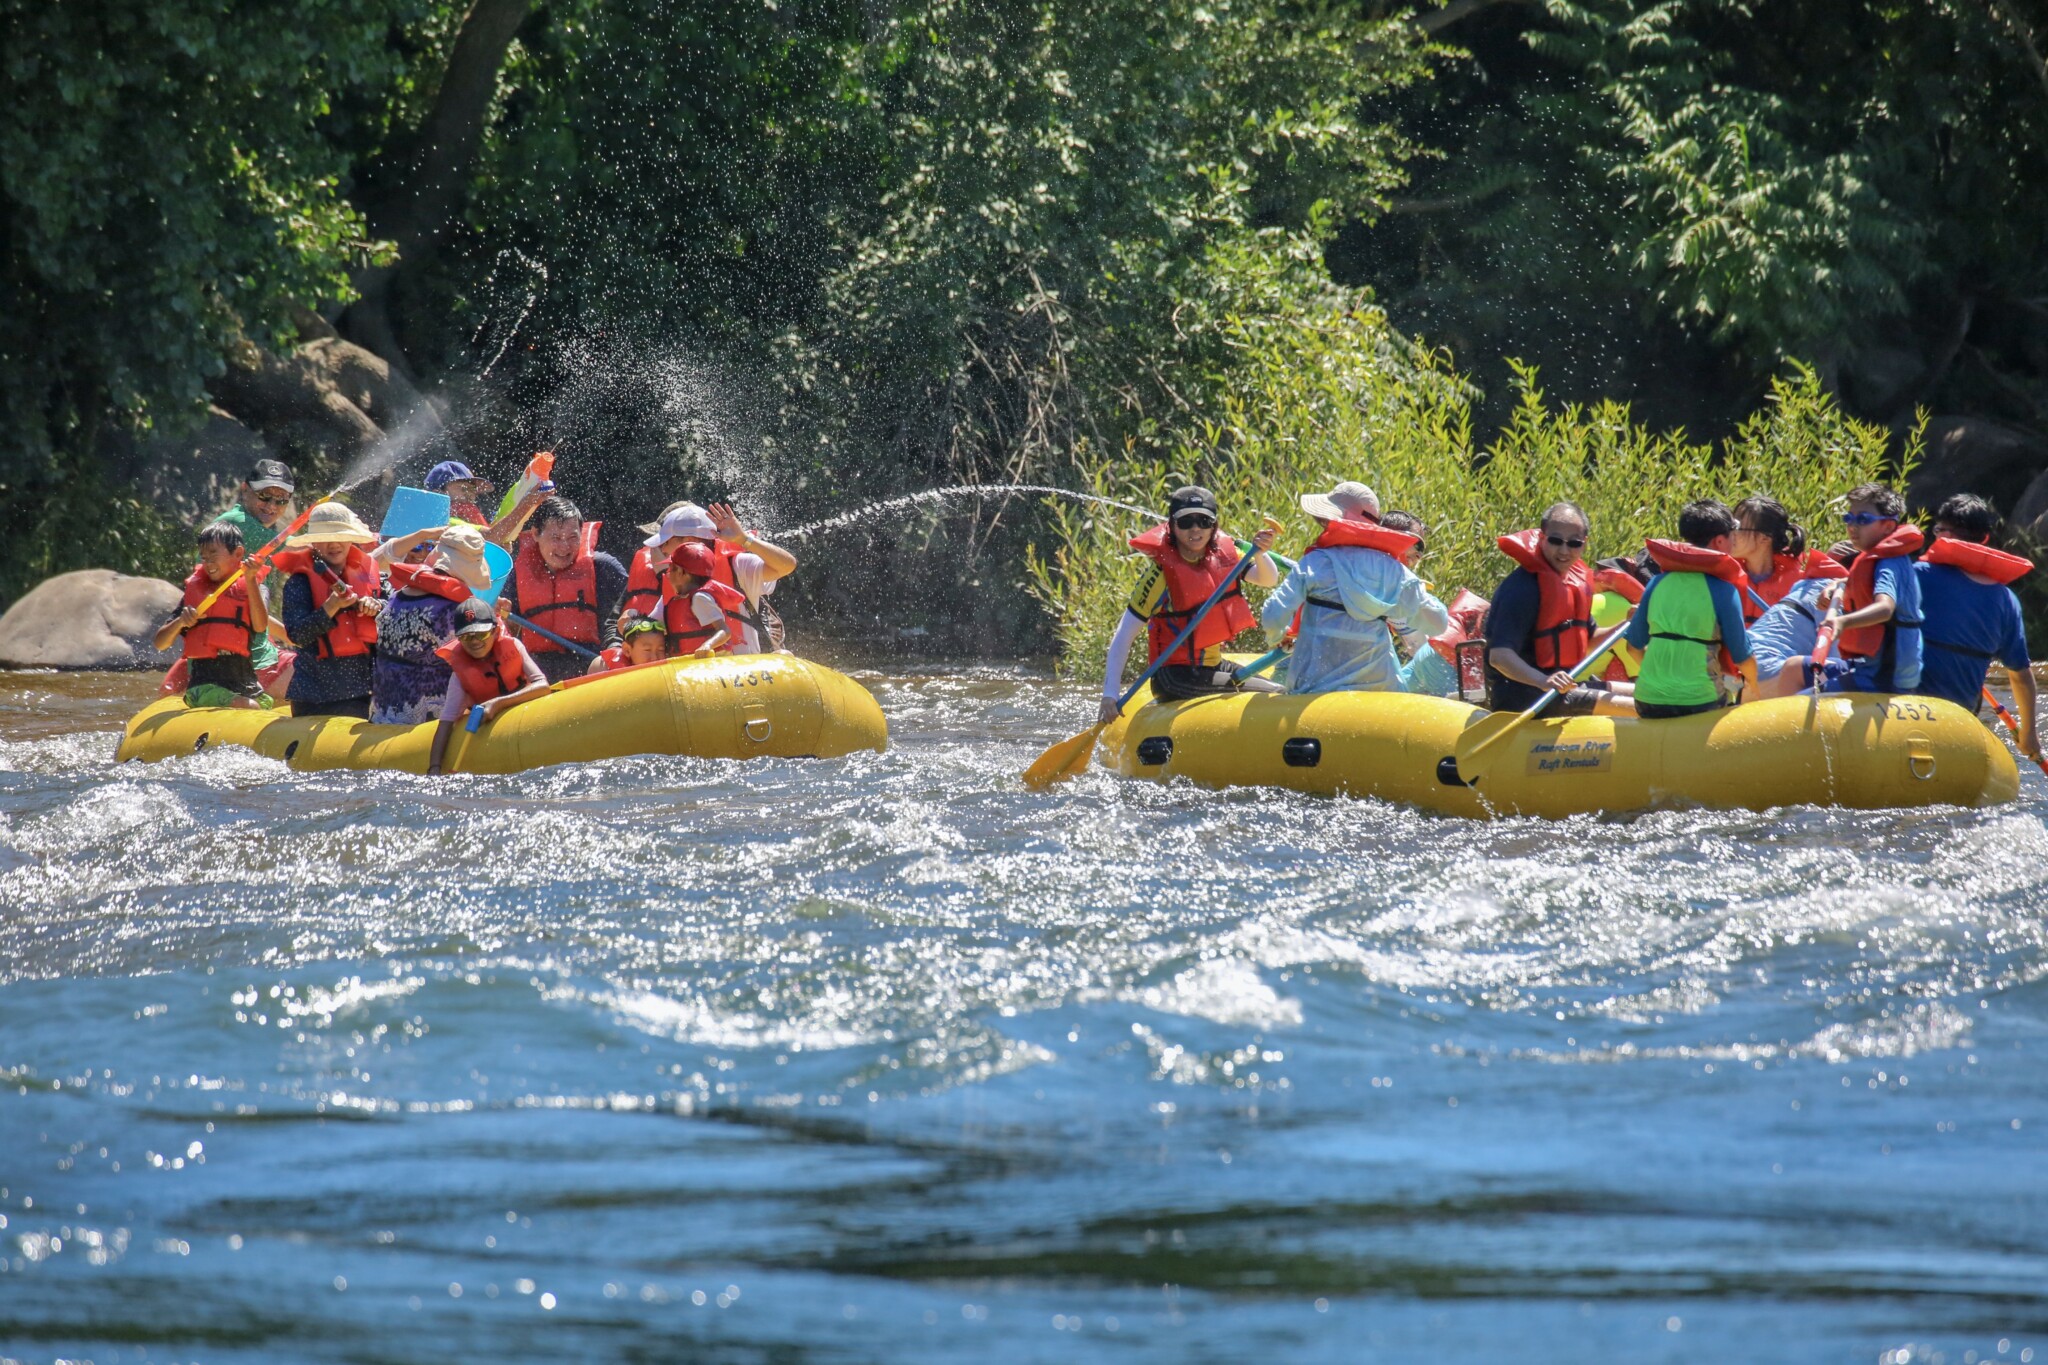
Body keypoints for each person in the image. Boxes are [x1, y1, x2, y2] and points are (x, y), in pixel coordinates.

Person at [1098, 486, 1281, 720]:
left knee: (1278, 693)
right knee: (1270, 695)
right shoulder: (1160, 576)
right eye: (1186, 522)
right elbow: (1124, 634)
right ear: (1172, 526)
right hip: (1174, 676)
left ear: (1214, 526)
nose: (1195, 528)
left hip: (1213, 666)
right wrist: (1109, 695)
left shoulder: (1226, 555)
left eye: (1204, 520)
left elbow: (1268, 579)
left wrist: (1260, 552)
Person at [1259, 484, 1447, 695]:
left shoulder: (1315, 562)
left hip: (1312, 687)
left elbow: (1273, 614)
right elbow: (1438, 622)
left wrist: (1277, 638)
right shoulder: (1396, 572)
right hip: (1379, 689)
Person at [1913, 494, 2038, 755]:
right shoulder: (2006, 600)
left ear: (1940, 536)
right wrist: (2029, 735)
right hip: (1959, 719)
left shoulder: (1917, 575)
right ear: (1984, 540)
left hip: (1902, 710)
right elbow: (2021, 676)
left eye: (1938, 530)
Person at [1483, 502, 1628, 715]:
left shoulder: (1572, 584)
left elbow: (1587, 641)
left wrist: (1626, 624)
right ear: (1542, 539)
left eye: (1574, 543)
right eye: (1555, 541)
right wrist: (1543, 681)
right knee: (1637, 708)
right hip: (1527, 699)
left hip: (1562, 690)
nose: (1564, 550)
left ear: (1584, 544)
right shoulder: (1522, 589)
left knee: (1642, 694)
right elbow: (1499, 656)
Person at [1623, 500, 1756, 717]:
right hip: (1701, 702)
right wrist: (1755, 686)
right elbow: (1743, 659)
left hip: (1648, 701)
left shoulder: (1656, 584)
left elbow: (1633, 648)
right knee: (1737, 699)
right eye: (1734, 532)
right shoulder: (1724, 591)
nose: (1735, 539)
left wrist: (1661, 682)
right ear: (1720, 541)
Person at [370, 524, 495, 725]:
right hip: (427, 724)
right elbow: (477, 664)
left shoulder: (398, 596)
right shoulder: (453, 609)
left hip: (383, 712)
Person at [274, 501, 385, 719]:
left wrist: (377, 607)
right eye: (326, 538)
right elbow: (297, 635)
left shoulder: (374, 576)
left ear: (350, 539)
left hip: (362, 690)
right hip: (314, 695)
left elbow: (394, 613)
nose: (334, 544)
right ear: (314, 542)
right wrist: (330, 607)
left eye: (340, 536)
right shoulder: (299, 583)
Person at [627, 502, 794, 645]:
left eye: (667, 542)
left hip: (742, 670)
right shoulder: (677, 581)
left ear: (688, 542)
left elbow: (787, 565)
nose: (662, 549)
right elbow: (653, 628)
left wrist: (744, 539)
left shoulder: (738, 566)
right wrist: (632, 623)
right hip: (695, 673)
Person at [501, 496, 628, 683]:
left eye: (572, 537)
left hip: (591, 667)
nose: (564, 547)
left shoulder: (604, 568)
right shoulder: (515, 577)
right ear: (535, 534)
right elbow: (506, 634)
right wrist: (502, 618)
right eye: (555, 538)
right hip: (538, 675)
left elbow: (635, 608)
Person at [153, 521, 273, 709]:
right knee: (250, 707)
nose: (208, 563)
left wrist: (250, 580)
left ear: (238, 554)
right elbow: (160, 643)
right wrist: (180, 622)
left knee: (266, 705)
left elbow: (259, 626)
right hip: (203, 687)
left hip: (244, 683)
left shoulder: (256, 587)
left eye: (213, 554)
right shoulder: (196, 593)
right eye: (204, 557)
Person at [427, 598, 550, 775]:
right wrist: (435, 768)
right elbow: (446, 723)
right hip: (494, 738)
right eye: (466, 636)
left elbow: (543, 686)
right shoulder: (459, 677)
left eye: (481, 634)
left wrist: (497, 704)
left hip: (528, 718)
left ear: (495, 630)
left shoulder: (514, 646)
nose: (475, 641)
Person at [1821, 482, 1923, 694]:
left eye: (1863, 519)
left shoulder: (1888, 563)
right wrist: (1838, 585)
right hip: (1866, 667)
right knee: (1795, 668)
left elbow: (1885, 608)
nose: (1852, 526)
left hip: (1882, 680)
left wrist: (1841, 621)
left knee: (1809, 700)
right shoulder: (1880, 559)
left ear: (1887, 526)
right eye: (1849, 518)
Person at [1745, 546, 1853, 699]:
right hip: (1770, 669)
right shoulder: (1833, 592)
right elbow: (1836, 656)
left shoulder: (1803, 587)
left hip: (1741, 669)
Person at [659, 542, 760, 655]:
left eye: (670, 569)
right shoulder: (677, 601)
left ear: (681, 572)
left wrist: (707, 645)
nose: (667, 574)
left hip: (713, 662)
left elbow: (725, 631)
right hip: (690, 663)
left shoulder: (699, 599)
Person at [425, 460, 546, 548]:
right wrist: (526, 504)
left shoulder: (462, 519)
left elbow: (491, 540)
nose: (471, 496)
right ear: (438, 493)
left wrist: (501, 547)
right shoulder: (443, 521)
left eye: (473, 491)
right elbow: (491, 538)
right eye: (463, 489)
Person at [588, 611, 669, 673]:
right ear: (627, 650)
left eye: (661, 650)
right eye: (647, 650)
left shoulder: (669, 672)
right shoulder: (601, 667)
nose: (655, 658)